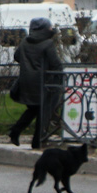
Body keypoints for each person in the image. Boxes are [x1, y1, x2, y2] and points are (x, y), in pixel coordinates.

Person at [8, 17, 62, 150]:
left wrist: (28, 65)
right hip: (43, 82)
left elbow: (17, 56)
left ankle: (16, 132)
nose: (51, 29)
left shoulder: (26, 41)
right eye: (49, 27)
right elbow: (56, 64)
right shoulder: (48, 43)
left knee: (33, 109)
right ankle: (36, 141)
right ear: (44, 29)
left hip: (26, 81)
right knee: (42, 111)